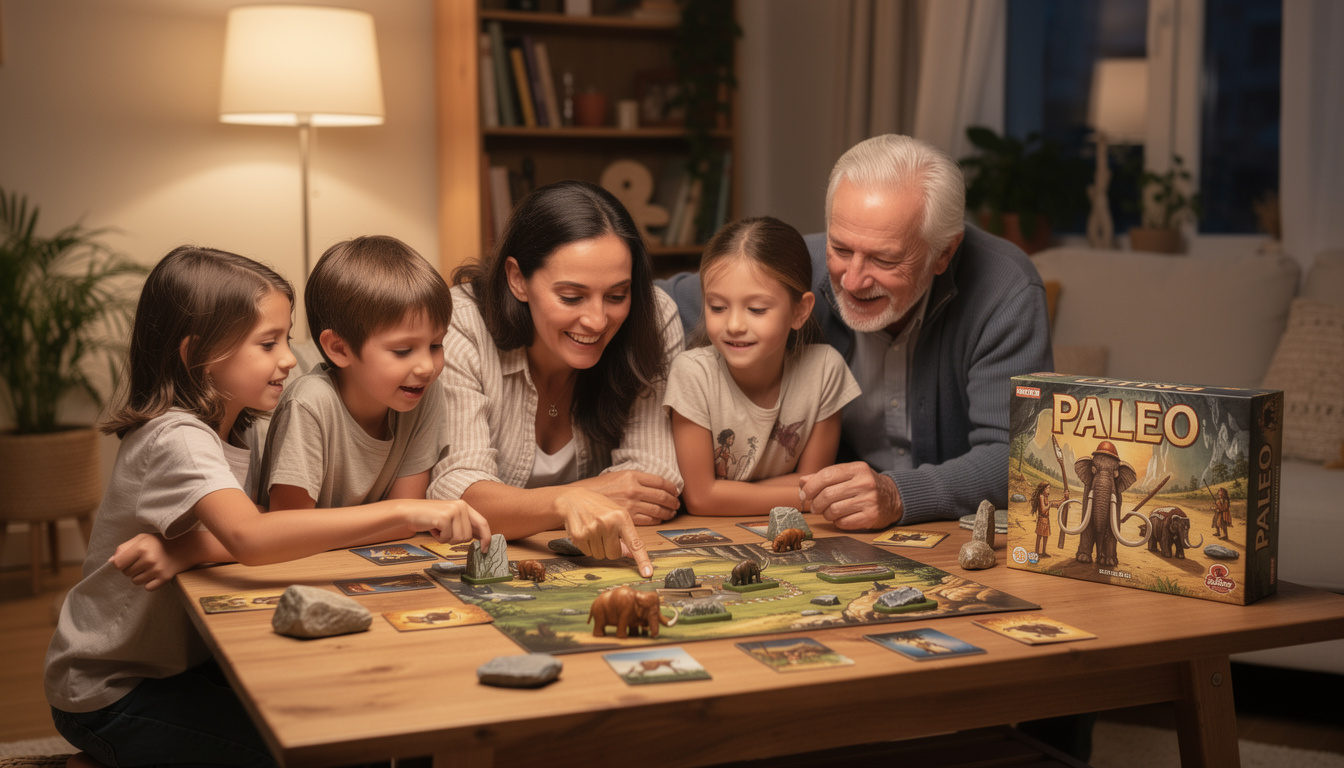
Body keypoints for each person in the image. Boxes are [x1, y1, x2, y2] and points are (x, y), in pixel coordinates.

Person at [46, 246, 489, 768]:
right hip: (112, 690)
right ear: (198, 355)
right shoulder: (177, 438)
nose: (287, 357)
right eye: (268, 342)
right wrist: (409, 513)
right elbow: (255, 538)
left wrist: (186, 549)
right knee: (316, 752)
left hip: (187, 666)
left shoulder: (239, 427)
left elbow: (257, 530)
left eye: (285, 337)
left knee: (351, 729)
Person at [660, 134, 1053, 529]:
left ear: (943, 253)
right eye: (841, 249)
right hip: (830, 526)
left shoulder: (1007, 291)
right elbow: (651, 303)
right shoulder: (796, 271)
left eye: (884, 259)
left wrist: (898, 494)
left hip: (945, 529)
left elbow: (1017, 459)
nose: (851, 280)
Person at [430, 180, 684, 578]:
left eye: (617, 295)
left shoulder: (652, 317)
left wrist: (517, 509)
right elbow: (458, 492)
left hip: (601, 563)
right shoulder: (461, 323)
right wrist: (569, 501)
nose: (597, 320)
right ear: (517, 279)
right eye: (571, 297)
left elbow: (654, 487)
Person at [663, 216, 860, 516]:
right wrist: (798, 494)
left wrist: (725, 493)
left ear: (800, 311)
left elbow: (815, 486)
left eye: (756, 309)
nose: (734, 325)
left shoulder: (825, 371)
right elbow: (701, 498)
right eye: (717, 307)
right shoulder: (692, 374)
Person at [1031, 481, 1055, 557]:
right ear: (1043, 489)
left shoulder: (1045, 496)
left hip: (1046, 519)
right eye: (1047, 488)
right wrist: (1049, 505)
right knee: (1039, 536)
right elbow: (1043, 509)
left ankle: (1044, 552)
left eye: (1049, 488)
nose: (1049, 490)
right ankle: (1036, 552)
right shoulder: (1041, 496)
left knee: (1046, 536)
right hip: (1042, 519)